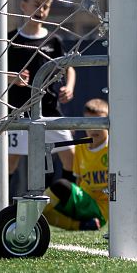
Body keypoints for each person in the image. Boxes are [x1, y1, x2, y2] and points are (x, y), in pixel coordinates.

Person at [6, 0, 76, 183]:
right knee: (10, 163)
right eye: (37, 5)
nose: (41, 11)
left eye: (46, 7)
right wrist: (13, 78)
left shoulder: (54, 40)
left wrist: (69, 87)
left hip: (50, 109)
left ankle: (67, 205)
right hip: (19, 110)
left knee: (70, 157)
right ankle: (5, 207)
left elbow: (69, 67)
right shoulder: (11, 39)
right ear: (23, 6)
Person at [42, 98, 109, 231]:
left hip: (101, 210)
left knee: (61, 186)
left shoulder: (114, 148)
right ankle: (84, 225)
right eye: (89, 123)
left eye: (99, 122)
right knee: (46, 214)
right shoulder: (81, 146)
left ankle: (26, 213)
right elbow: (78, 180)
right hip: (82, 203)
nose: (94, 128)